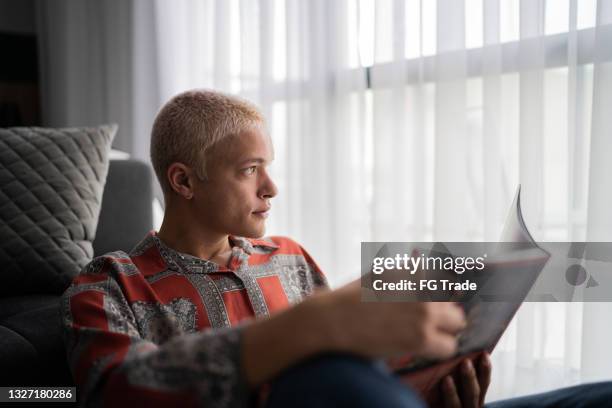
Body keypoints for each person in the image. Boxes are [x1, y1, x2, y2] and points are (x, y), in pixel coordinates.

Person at [61, 89, 491, 407]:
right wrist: (300, 330)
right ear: (184, 181)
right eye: (251, 170)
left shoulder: (291, 258)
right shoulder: (107, 284)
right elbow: (113, 393)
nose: (272, 188)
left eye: (268, 168)